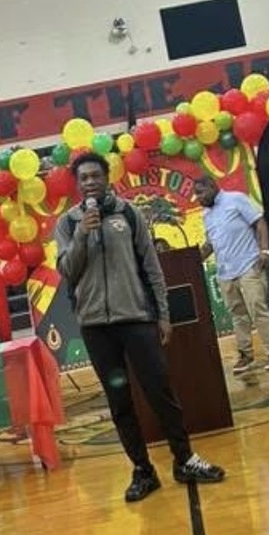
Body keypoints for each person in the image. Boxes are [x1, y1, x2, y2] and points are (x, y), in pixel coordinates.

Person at [55, 152, 225, 502]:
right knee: (119, 402)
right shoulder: (69, 223)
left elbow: (152, 267)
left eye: (95, 175)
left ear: (106, 177)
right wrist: (84, 236)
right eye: (83, 177)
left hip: (136, 320)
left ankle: (184, 459)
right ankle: (142, 470)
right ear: (78, 184)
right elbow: (67, 271)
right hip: (96, 328)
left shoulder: (129, 214)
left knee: (160, 391)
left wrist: (162, 314)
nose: (90, 181)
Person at [193, 176, 269, 374]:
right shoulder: (206, 215)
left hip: (249, 265)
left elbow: (259, 222)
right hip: (225, 272)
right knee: (237, 314)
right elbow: (211, 244)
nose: (197, 197)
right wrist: (191, 260)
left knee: (257, 307)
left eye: (200, 192)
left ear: (212, 186)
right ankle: (246, 355)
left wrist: (265, 250)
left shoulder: (236, 199)